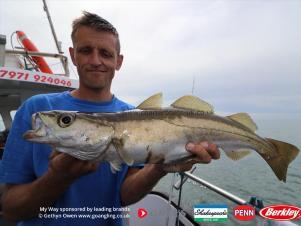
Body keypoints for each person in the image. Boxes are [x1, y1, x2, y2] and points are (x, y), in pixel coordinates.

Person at [0, 12, 220, 226]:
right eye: (86, 50)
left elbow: (124, 196)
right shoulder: (37, 109)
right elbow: (9, 210)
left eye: (105, 53)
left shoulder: (137, 118)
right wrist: (58, 178)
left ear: (118, 61)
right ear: (73, 54)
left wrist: (161, 167)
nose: (96, 60)